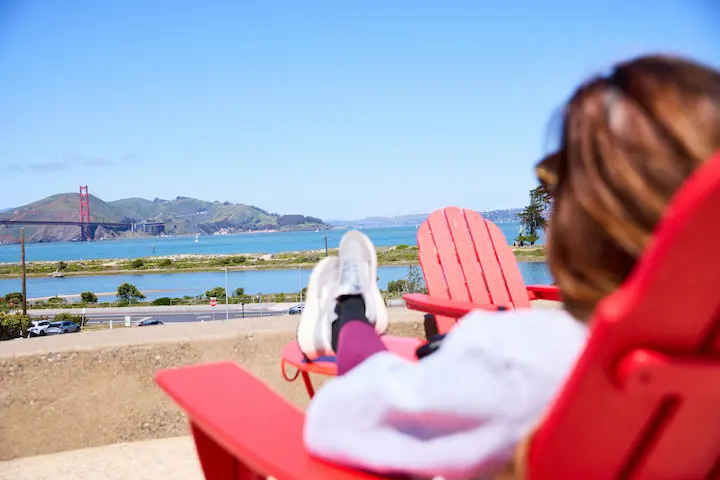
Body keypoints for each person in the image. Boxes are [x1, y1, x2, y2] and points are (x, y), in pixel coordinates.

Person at [296, 55, 720, 480]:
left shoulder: (523, 358)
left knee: (369, 363)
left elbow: (335, 418)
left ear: (592, 216)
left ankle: (348, 308)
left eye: (555, 183)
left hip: (455, 388)